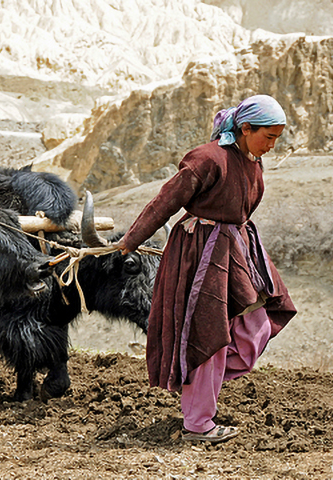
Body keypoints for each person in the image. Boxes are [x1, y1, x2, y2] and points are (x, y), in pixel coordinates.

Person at [116, 94, 297, 444]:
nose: (272, 145)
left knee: (255, 326)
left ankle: (195, 378)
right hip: (200, 254)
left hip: (235, 250)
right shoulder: (208, 159)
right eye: (269, 136)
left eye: (277, 138)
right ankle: (198, 422)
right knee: (209, 335)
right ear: (246, 128)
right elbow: (166, 201)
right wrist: (131, 239)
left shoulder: (252, 161)